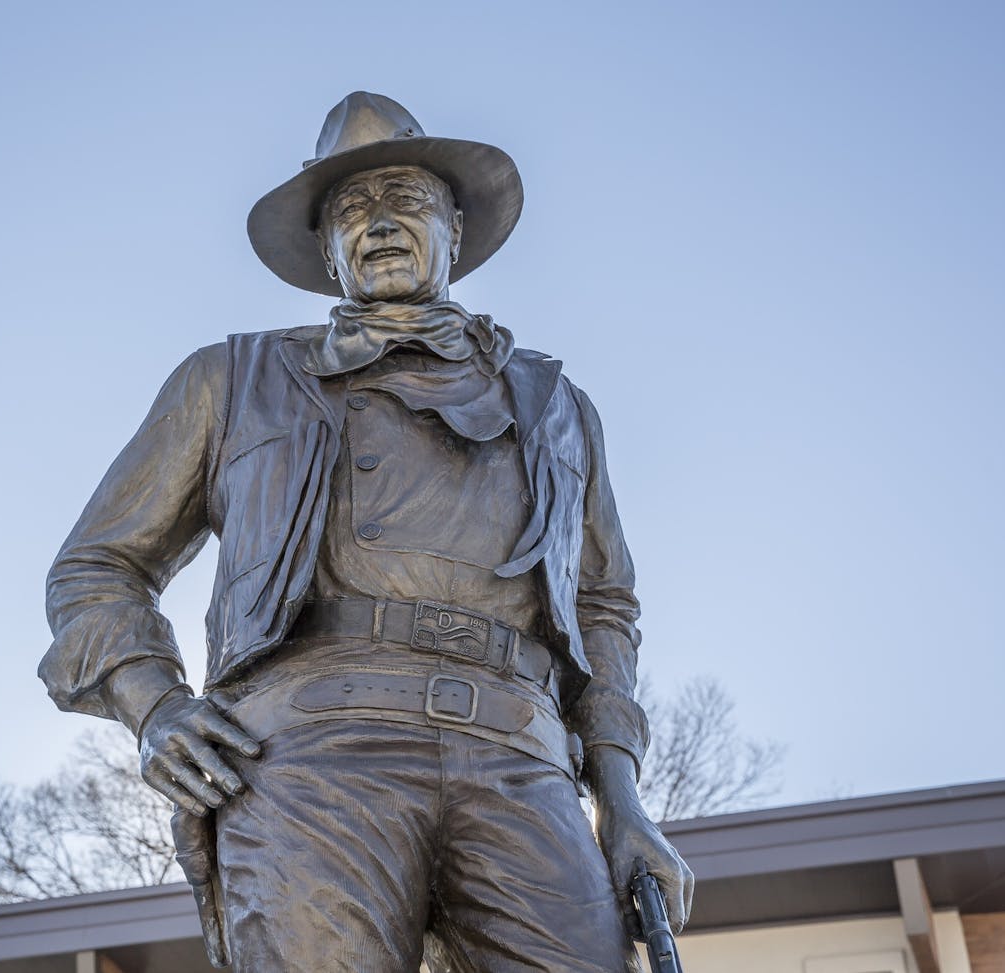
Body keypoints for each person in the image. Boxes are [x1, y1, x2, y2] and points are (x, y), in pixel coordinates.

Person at [40, 91, 693, 972]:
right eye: (350, 208)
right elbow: (98, 565)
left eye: (405, 199)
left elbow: (604, 605)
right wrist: (154, 703)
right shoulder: (231, 381)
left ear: (455, 228)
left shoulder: (558, 408)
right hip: (310, 758)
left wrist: (621, 802)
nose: (378, 222)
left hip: (522, 762)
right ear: (325, 249)